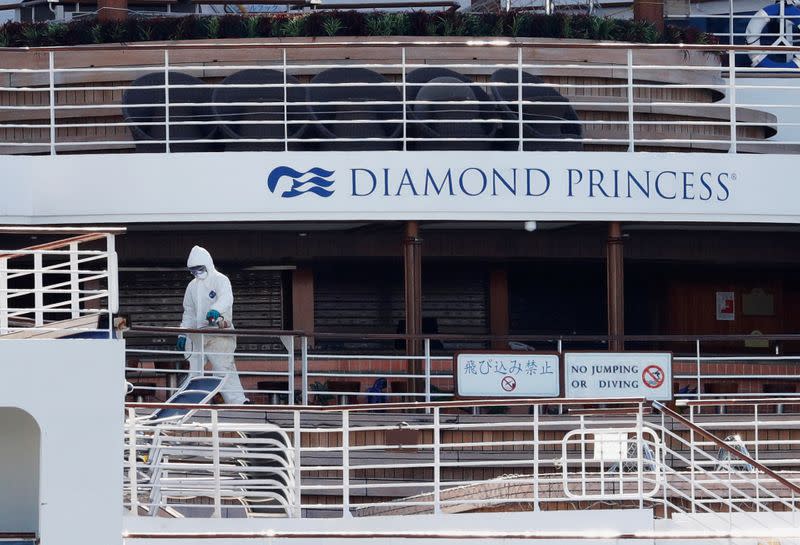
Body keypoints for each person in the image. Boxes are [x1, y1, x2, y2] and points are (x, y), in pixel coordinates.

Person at [176, 246, 249, 405]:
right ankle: (188, 403)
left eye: (199, 269)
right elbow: (188, 312)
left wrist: (215, 310)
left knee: (223, 369)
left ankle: (238, 403)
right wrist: (182, 333)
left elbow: (226, 298)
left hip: (219, 334)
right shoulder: (192, 286)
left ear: (207, 265)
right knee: (194, 370)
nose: (196, 273)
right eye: (193, 271)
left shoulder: (220, 280)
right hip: (197, 335)